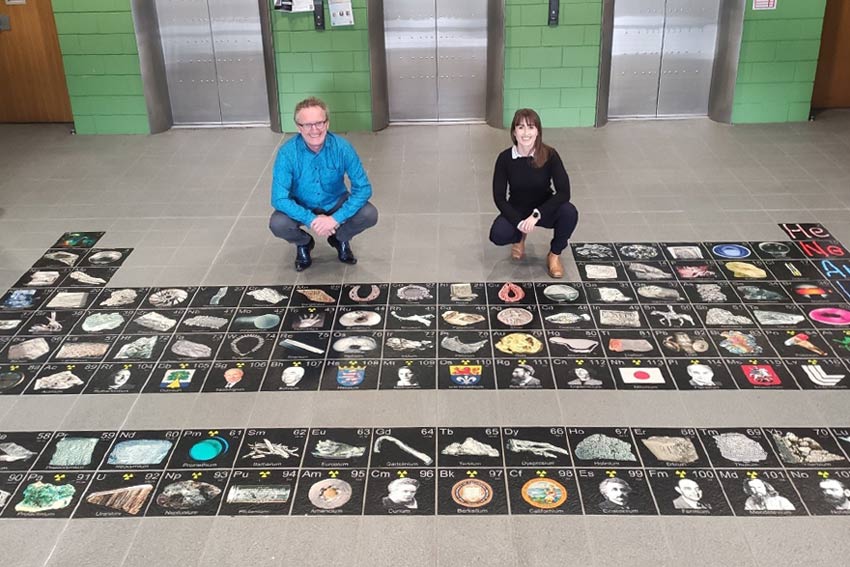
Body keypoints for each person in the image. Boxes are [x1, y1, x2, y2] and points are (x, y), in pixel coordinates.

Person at [270, 97, 378, 271]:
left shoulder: (343, 148)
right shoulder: (287, 153)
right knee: (278, 224)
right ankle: (304, 243)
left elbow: (363, 188)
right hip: (301, 204)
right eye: (307, 125)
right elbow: (279, 198)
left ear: (327, 124)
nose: (315, 130)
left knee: (369, 214)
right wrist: (311, 219)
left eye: (319, 123)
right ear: (299, 127)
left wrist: (336, 219)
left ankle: (340, 239)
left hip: (335, 201)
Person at [489, 108, 579, 279]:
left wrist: (537, 214)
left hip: (544, 208)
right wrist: (518, 222)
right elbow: (499, 197)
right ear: (514, 132)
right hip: (518, 208)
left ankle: (554, 255)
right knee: (498, 234)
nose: (526, 133)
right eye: (521, 127)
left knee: (569, 212)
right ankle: (519, 238)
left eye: (531, 127)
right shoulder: (504, 159)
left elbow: (564, 192)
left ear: (538, 132)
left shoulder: (550, 155)